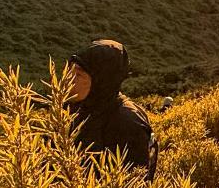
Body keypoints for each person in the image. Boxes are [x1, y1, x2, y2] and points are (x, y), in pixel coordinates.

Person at [67, 39, 157, 179]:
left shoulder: (128, 124)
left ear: (102, 80)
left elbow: (134, 180)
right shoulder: (78, 109)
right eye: (69, 70)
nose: (69, 80)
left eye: (79, 75)